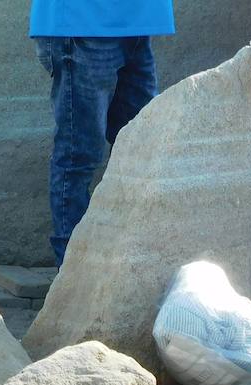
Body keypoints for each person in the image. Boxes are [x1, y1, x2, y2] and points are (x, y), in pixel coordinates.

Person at [30, 0, 176, 266]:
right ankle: (73, 280)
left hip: (138, 23)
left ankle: (126, 270)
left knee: (143, 155)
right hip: (83, 23)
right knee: (78, 157)